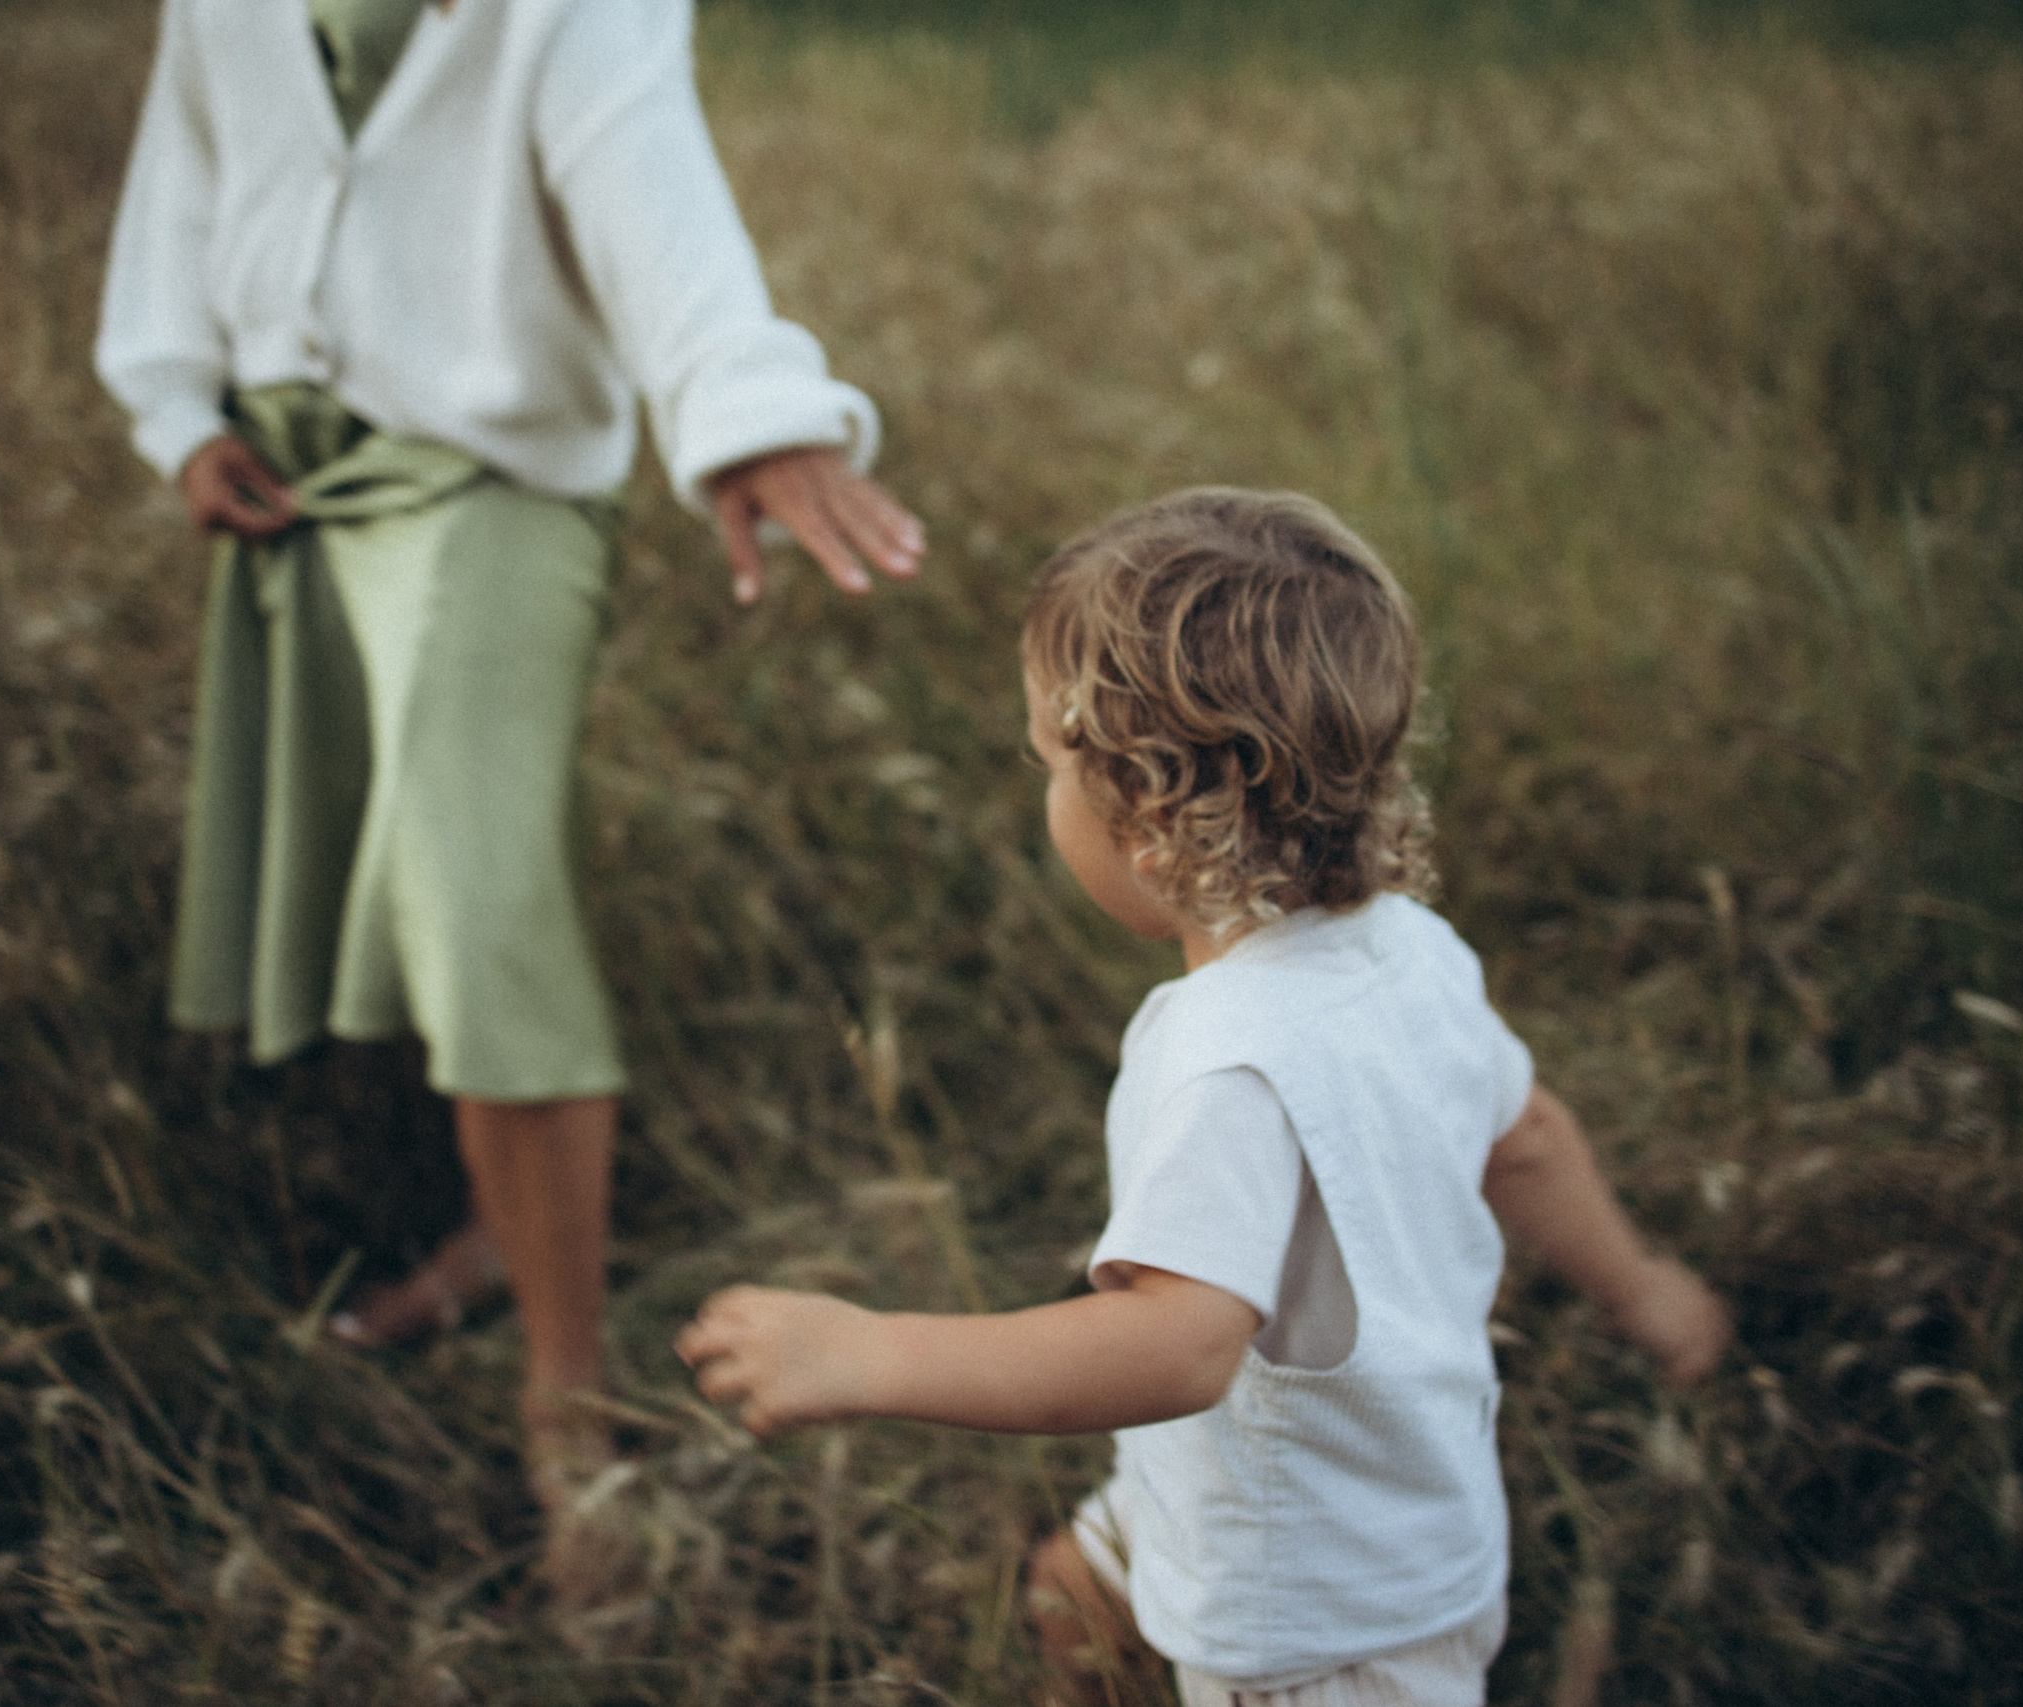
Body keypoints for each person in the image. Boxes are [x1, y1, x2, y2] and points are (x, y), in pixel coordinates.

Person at [675, 488, 1728, 1706]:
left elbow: (1176, 1349)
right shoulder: (1410, 950)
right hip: (1315, 1484)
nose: (1040, 790)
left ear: (1147, 813)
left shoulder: (1228, 1058)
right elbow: (1528, 1137)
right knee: (1072, 1594)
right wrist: (1641, 1289)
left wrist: (868, 1353)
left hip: (1310, 1619)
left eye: (1047, 761)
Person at [93, 0, 922, 1495]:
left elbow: (649, 183)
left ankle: (567, 1411)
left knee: (481, 918)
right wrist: (180, 413)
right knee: (398, 883)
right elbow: (190, 168)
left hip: (491, 482)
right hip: (288, 476)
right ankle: (495, 1230)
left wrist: (749, 406)